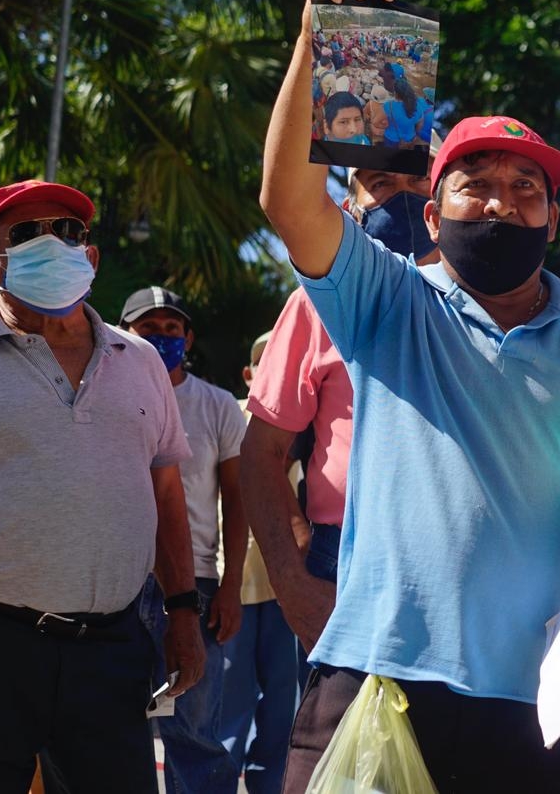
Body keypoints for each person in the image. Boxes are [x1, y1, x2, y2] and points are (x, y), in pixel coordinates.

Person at [259, 0, 560, 790]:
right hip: (382, 679)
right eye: (478, 186)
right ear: (434, 215)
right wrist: (317, 43)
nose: (504, 202)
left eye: (527, 189)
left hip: (555, 698)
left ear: (553, 220)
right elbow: (289, 205)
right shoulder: (389, 303)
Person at [0, 180, 204, 793]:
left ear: (92, 256)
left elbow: (165, 495)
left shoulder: (140, 363)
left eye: (69, 231)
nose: (53, 244)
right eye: (28, 234)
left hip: (109, 646)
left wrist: (183, 614)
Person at [242, 156, 441, 660]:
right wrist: (295, 579)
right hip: (344, 559)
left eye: (418, 179)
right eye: (380, 183)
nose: (402, 196)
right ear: (351, 209)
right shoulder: (313, 302)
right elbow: (262, 453)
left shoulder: (485, 305)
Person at [121, 285, 248, 794]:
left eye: (172, 329)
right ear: (124, 333)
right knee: (116, 728)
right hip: (121, 583)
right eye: (148, 328)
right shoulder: (105, 392)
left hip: (194, 587)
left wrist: (231, 584)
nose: (161, 337)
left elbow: (238, 501)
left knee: (193, 733)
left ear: (188, 337)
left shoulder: (217, 406)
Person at [220, 331, 301, 794]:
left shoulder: (304, 419)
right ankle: (219, 780)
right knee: (230, 701)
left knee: (282, 703)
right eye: (263, 362)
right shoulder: (230, 413)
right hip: (237, 580)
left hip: (283, 584)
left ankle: (271, 784)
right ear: (250, 373)